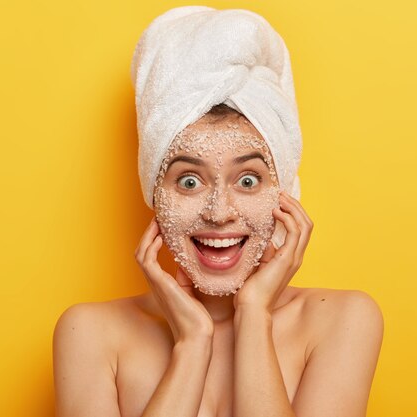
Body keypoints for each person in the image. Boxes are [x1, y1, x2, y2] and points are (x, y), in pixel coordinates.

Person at [53, 6, 383, 417]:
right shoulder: (88, 334)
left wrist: (254, 313)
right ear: (155, 194)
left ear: (283, 193)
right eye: (189, 181)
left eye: (247, 180)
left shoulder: (343, 321)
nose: (219, 212)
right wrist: (192, 344)